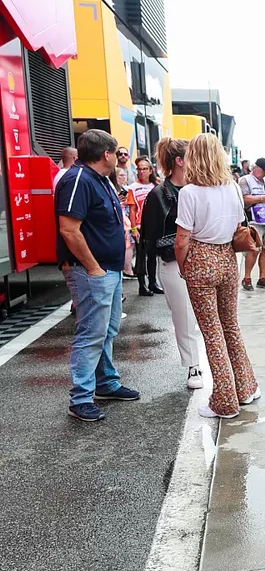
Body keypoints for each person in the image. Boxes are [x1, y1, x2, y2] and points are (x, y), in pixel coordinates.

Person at [56, 129, 141, 422]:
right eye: (116, 152)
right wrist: (93, 267)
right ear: (106, 154)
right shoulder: (78, 179)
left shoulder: (98, 179)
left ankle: (105, 383)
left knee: (107, 330)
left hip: (108, 270)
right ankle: (80, 398)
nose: (119, 157)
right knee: (92, 333)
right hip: (91, 271)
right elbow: (68, 229)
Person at [174, 134, 260, 419]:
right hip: (227, 258)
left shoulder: (189, 193)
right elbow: (237, 224)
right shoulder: (233, 188)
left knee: (211, 333)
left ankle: (224, 401)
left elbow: (182, 239)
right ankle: (246, 388)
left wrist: (183, 266)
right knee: (230, 326)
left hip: (201, 259)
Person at [142, 136, 204, 390]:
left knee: (203, 316)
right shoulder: (158, 195)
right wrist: (183, 242)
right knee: (184, 317)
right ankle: (193, 365)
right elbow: (151, 238)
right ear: (179, 161)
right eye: (191, 156)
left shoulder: (200, 187)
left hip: (201, 261)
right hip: (172, 263)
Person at [238, 158, 265, 291]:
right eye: (263, 171)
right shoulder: (245, 180)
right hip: (254, 220)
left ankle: (262, 278)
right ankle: (247, 278)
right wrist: (262, 198)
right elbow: (244, 199)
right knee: (253, 249)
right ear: (256, 168)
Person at [126, 156, 161, 296]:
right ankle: (142, 285)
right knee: (141, 257)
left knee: (153, 256)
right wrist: (133, 229)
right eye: (139, 169)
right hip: (140, 227)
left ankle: (153, 282)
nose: (142, 172)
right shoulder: (132, 188)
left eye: (145, 169)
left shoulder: (156, 186)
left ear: (151, 170)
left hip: (153, 226)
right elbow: (132, 210)